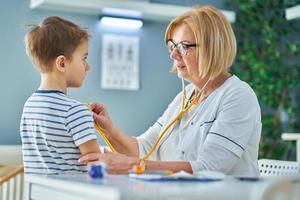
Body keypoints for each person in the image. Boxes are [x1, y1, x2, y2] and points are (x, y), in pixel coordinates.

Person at [79, 5, 262, 176]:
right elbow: (144, 149)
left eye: (184, 46)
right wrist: (109, 129)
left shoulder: (238, 96)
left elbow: (209, 168)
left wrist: (132, 165)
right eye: (172, 46)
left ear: (212, 48)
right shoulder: (185, 97)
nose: (173, 54)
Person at [20, 16, 101, 175]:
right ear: (62, 63)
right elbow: (97, 165)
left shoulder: (29, 106)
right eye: (83, 58)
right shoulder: (75, 111)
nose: (87, 66)